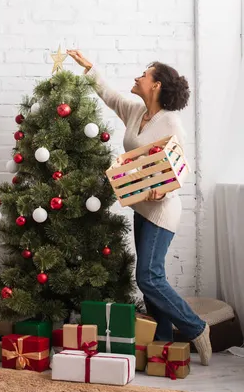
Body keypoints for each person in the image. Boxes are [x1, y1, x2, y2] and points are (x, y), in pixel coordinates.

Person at [68, 49, 212, 365]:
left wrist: (162, 190)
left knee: (148, 276)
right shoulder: (136, 111)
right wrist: (90, 66)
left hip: (162, 210)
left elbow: (182, 167)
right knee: (150, 284)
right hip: (140, 207)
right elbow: (109, 95)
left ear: (157, 85)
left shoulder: (171, 123)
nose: (138, 77)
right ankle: (161, 344)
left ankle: (196, 327)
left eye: (144, 75)